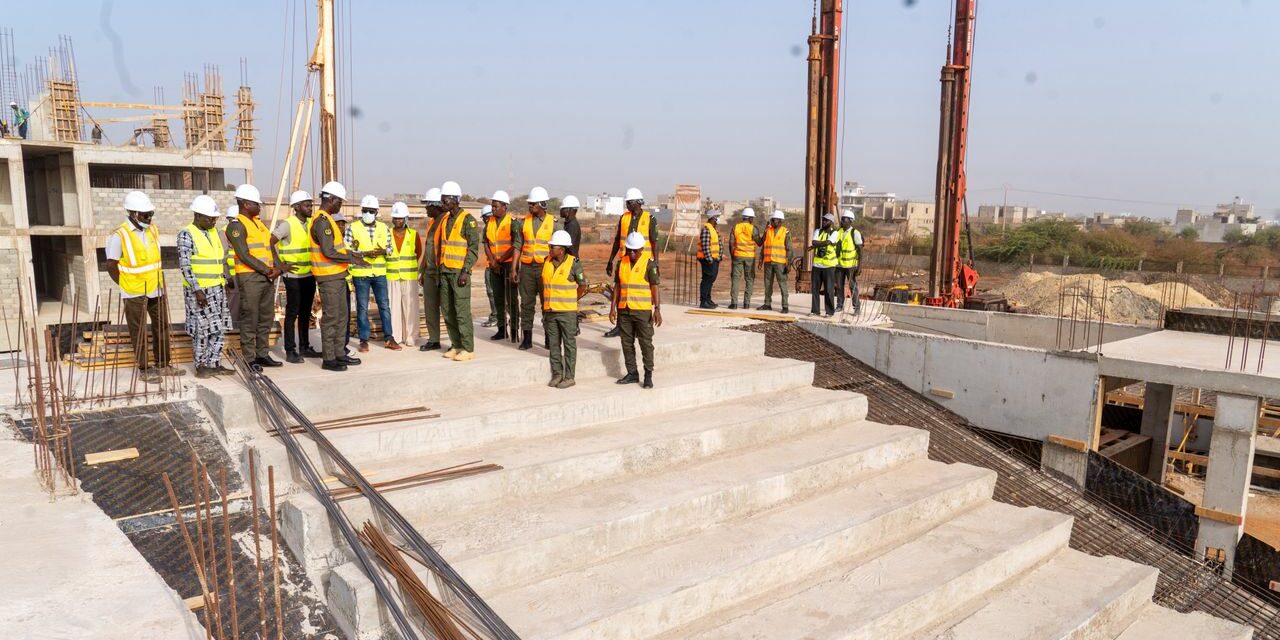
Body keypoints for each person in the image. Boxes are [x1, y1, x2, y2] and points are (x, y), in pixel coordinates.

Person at [105, 190, 179, 384]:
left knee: (161, 326)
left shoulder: (152, 230)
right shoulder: (120, 235)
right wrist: (125, 284)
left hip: (156, 288)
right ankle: (145, 368)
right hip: (134, 292)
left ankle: (163, 364)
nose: (149, 218)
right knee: (138, 331)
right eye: (145, 215)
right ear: (133, 214)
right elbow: (111, 265)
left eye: (150, 214)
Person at [310, 181, 367, 371]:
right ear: (331, 199)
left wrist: (352, 255)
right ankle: (329, 358)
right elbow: (328, 251)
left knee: (342, 317)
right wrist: (352, 258)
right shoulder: (322, 222)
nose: (340, 205)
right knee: (332, 318)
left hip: (338, 275)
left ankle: (339, 353)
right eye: (340, 202)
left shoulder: (328, 220)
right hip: (329, 277)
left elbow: (337, 249)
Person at [225, 184, 283, 370]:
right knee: (250, 318)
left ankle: (262, 354)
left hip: (266, 277)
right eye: (257, 204)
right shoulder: (236, 226)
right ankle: (250, 359)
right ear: (246, 204)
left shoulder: (259, 224)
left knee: (266, 317)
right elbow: (243, 254)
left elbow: (269, 247)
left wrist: (277, 268)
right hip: (250, 278)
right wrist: (267, 270)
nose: (260, 207)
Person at [179, 195, 233, 379]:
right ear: (198, 215)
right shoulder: (186, 234)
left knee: (218, 328)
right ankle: (201, 365)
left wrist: (224, 280)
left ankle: (214, 364)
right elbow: (185, 266)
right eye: (210, 218)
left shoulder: (213, 232)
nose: (213, 221)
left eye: (215, 218)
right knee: (201, 329)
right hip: (199, 292)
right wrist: (197, 290)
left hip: (217, 288)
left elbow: (219, 260)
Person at [272, 190, 323, 363]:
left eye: (311, 205)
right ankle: (290, 350)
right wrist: (280, 265)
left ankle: (304, 347)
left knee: (305, 312)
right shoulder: (288, 224)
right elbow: (270, 242)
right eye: (307, 205)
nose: (310, 208)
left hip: (308, 274)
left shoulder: (310, 224)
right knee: (292, 312)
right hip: (293, 276)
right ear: (297, 207)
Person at [604, 188, 659, 337]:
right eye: (627, 202)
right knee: (622, 294)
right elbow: (617, 241)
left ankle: (641, 324)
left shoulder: (649, 219)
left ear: (638, 203)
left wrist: (656, 263)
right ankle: (620, 326)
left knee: (642, 295)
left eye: (629, 202)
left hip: (643, 263)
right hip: (625, 262)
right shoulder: (624, 218)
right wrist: (610, 260)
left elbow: (654, 243)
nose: (627, 205)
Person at [611, 231, 663, 389]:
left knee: (645, 343)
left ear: (641, 249)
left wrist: (657, 309)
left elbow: (654, 287)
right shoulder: (621, 263)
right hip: (624, 310)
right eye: (629, 250)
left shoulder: (649, 264)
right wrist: (612, 308)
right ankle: (632, 373)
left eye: (634, 250)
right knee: (626, 343)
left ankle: (648, 375)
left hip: (642, 311)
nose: (632, 253)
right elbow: (617, 286)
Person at [348, 195, 398, 351]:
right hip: (361, 274)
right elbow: (347, 250)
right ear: (361, 211)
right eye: (365, 211)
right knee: (362, 307)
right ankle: (364, 340)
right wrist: (364, 253)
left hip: (379, 273)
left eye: (371, 211)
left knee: (384, 306)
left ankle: (389, 338)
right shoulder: (353, 227)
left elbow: (390, 249)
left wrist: (383, 251)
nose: (368, 214)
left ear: (376, 212)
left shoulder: (384, 228)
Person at [437, 180, 480, 361]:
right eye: (442, 199)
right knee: (448, 311)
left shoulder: (468, 220)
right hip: (445, 271)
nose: (442, 203)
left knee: (461, 311)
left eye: (445, 199)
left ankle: (468, 348)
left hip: (459, 273)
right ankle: (456, 345)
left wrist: (465, 270)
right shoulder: (445, 219)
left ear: (455, 199)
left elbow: (473, 248)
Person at [542, 230, 587, 389]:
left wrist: (573, 299)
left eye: (553, 247)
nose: (550, 249)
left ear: (561, 249)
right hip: (550, 311)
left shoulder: (574, 263)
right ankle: (557, 374)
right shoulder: (546, 261)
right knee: (554, 345)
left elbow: (582, 285)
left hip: (567, 312)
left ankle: (569, 377)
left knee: (569, 344)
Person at [512, 186, 555, 350]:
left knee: (547, 304)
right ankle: (527, 339)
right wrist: (514, 268)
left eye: (533, 204)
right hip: (527, 268)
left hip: (546, 268)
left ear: (542, 204)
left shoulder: (554, 224)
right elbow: (518, 245)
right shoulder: (524, 222)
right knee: (526, 304)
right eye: (529, 204)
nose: (530, 206)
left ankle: (549, 338)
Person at [387, 201, 422, 347]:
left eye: (400, 218)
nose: (397, 221)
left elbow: (418, 252)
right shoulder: (387, 234)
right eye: (395, 218)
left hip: (409, 277)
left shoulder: (413, 234)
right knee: (393, 308)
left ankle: (411, 336)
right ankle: (396, 336)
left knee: (410, 308)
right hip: (392, 276)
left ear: (405, 219)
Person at [484, 191, 518, 341]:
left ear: (504, 206)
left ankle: (515, 330)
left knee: (511, 300)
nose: (493, 209)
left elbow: (515, 245)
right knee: (498, 299)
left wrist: (500, 260)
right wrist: (493, 261)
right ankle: (501, 329)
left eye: (496, 206)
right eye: (492, 206)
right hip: (494, 266)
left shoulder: (512, 222)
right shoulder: (489, 222)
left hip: (509, 265)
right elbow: (486, 243)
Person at [418, 188, 445, 352]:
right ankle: (434, 339)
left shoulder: (446, 221)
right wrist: (422, 270)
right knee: (430, 307)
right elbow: (428, 248)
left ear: (435, 205)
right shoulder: (431, 223)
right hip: (430, 272)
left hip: (442, 272)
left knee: (448, 308)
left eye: (427, 205)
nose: (426, 209)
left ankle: (456, 342)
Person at [758, 210, 793, 314]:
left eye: (773, 220)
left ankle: (785, 306)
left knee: (782, 284)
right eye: (771, 220)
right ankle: (767, 304)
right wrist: (760, 260)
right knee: (767, 284)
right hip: (768, 262)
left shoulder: (785, 232)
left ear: (780, 221)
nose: (772, 221)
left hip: (780, 263)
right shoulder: (768, 230)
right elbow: (764, 246)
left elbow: (789, 249)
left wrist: (789, 264)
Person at [729, 207, 762, 310]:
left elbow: (731, 243)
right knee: (749, 279)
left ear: (743, 217)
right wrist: (765, 233)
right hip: (750, 258)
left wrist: (733, 256)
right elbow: (759, 243)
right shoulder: (753, 228)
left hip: (737, 256)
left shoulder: (736, 227)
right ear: (750, 218)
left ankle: (734, 304)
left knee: (735, 279)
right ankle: (746, 304)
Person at [808, 212, 840, 317]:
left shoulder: (835, 233)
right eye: (823, 220)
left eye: (826, 220)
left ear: (831, 222)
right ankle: (815, 311)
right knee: (815, 289)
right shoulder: (818, 231)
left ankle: (829, 312)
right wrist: (822, 243)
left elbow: (826, 242)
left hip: (829, 266)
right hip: (817, 265)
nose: (824, 222)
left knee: (829, 290)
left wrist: (819, 244)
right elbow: (814, 242)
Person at [836, 209, 864, 315]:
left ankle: (856, 308)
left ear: (850, 221)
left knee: (853, 286)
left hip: (850, 266)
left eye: (844, 219)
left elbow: (860, 251)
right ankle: (839, 305)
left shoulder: (855, 233)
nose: (842, 221)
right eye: (842, 219)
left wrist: (859, 266)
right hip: (839, 265)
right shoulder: (838, 232)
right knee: (839, 286)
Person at [697, 209, 723, 309]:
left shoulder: (713, 229)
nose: (718, 219)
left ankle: (708, 299)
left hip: (714, 259)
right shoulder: (706, 229)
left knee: (711, 279)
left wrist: (719, 257)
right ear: (713, 218)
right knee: (707, 280)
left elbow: (718, 244)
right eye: (717, 217)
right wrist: (709, 259)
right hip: (708, 259)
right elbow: (705, 245)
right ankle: (703, 301)